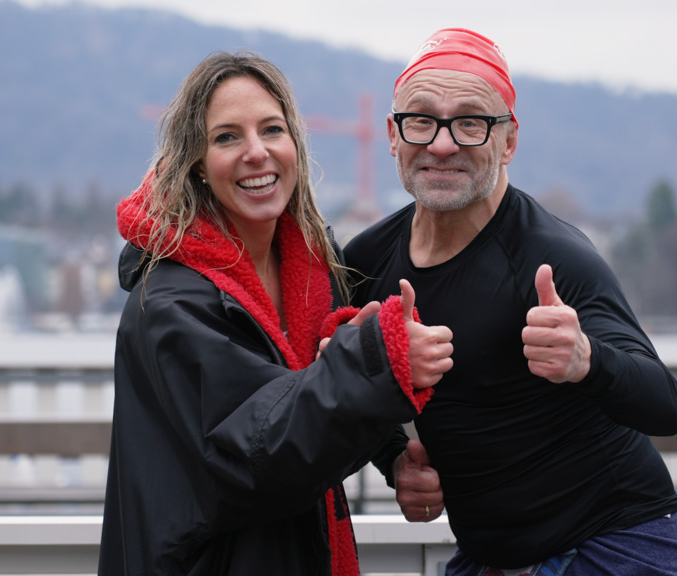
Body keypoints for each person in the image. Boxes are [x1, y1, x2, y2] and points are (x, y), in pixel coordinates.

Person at [346, 29, 677, 575]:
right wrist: (395, 460)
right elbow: (345, 385)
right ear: (393, 134)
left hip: (610, 545)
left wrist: (586, 360)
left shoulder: (551, 260)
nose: (442, 144)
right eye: (421, 119)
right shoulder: (368, 260)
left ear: (507, 142)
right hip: (490, 556)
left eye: (470, 122)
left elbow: (666, 406)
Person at [98, 50, 454, 576]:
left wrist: (395, 455)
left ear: (295, 145)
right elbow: (258, 451)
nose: (256, 152)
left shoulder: (311, 266)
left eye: (272, 129)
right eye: (226, 137)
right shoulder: (170, 306)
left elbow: (313, 392)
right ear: (196, 162)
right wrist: (378, 358)